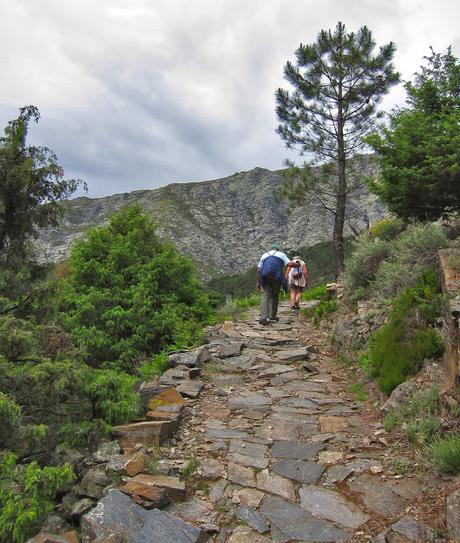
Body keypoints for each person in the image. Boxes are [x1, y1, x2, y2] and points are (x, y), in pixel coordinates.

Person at [256, 243, 298, 325]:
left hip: (265, 277)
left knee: (265, 295)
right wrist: (296, 264)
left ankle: (263, 317)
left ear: (271, 248)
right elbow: (289, 264)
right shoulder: (281, 254)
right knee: (275, 295)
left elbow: (258, 270)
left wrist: (258, 282)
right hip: (276, 277)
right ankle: (273, 316)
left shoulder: (264, 255)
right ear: (278, 249)